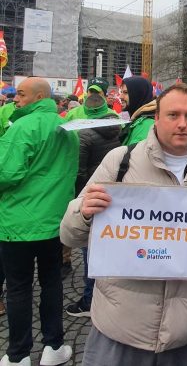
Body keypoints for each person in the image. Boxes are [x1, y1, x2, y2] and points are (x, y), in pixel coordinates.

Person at [60, 83, 187, 366]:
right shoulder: (120, 161)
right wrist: (84, 212)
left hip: (182, 336)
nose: (182, 124)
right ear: (157, 118)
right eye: (173, 115)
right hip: (119, 330)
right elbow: (69, 233)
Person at [0, 77, 78, 366]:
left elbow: (5, 174)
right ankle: (53, 347)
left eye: (20, 94)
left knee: (19, 287)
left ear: (39, 96)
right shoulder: (67, 129)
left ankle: (18, 354)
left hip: (18, 223)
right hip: (53, 222)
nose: (15, 99)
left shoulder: (21, 127)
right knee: (52, 283)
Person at [66, 94, 121, 318]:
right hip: (112, 196)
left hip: (94, 194)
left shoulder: (85, 135)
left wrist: (79, 195)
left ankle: (90, 298)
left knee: (90, 250)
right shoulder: (117, 128)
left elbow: (79, 171)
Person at [119, 76, 157, 145]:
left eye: (125, 92)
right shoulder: (137, 119)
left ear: (138, 94)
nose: (120, 97)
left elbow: (133, 155)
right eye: (121, 92)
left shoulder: (146, 124)